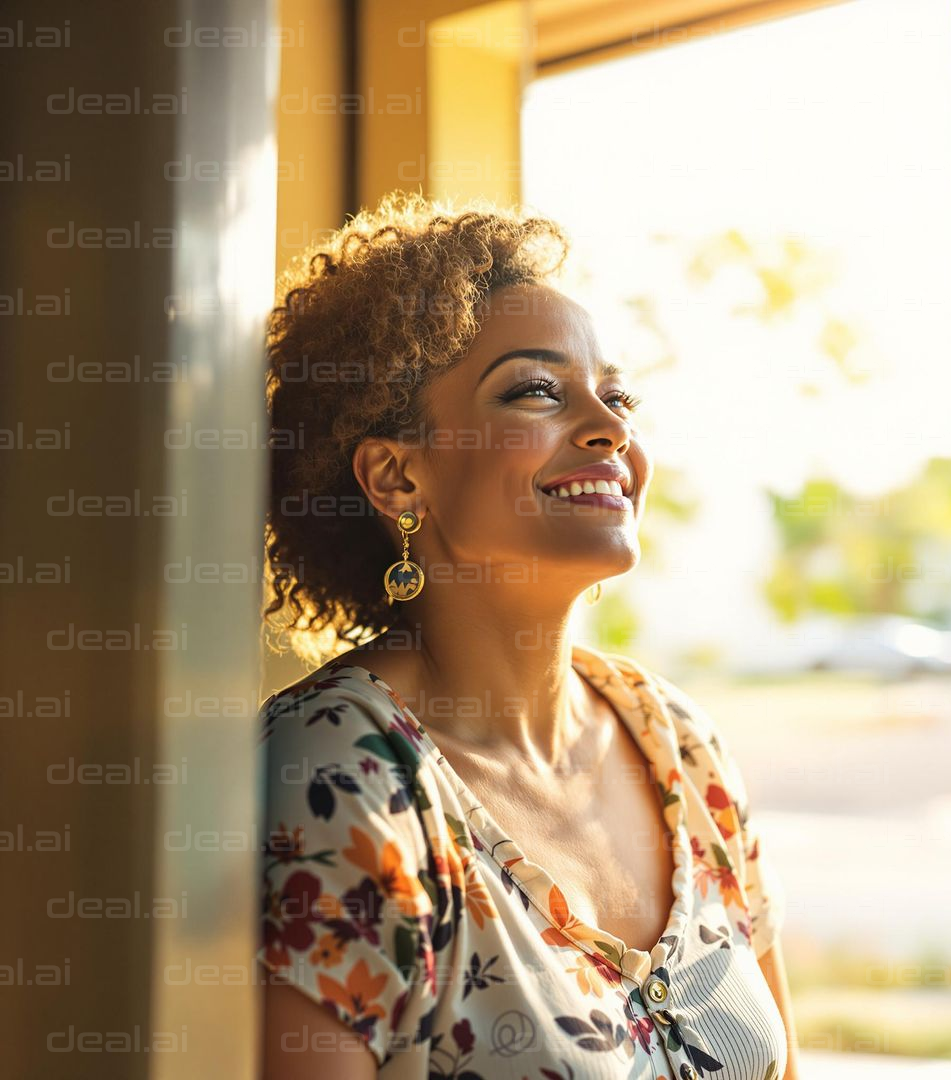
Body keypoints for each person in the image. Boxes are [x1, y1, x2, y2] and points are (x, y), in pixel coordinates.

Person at [257, 192, 800, 1079]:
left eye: (617, 395)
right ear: (397, 475)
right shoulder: (335, 778)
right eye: (537, 390)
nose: (612, 428)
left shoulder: (679, 742)